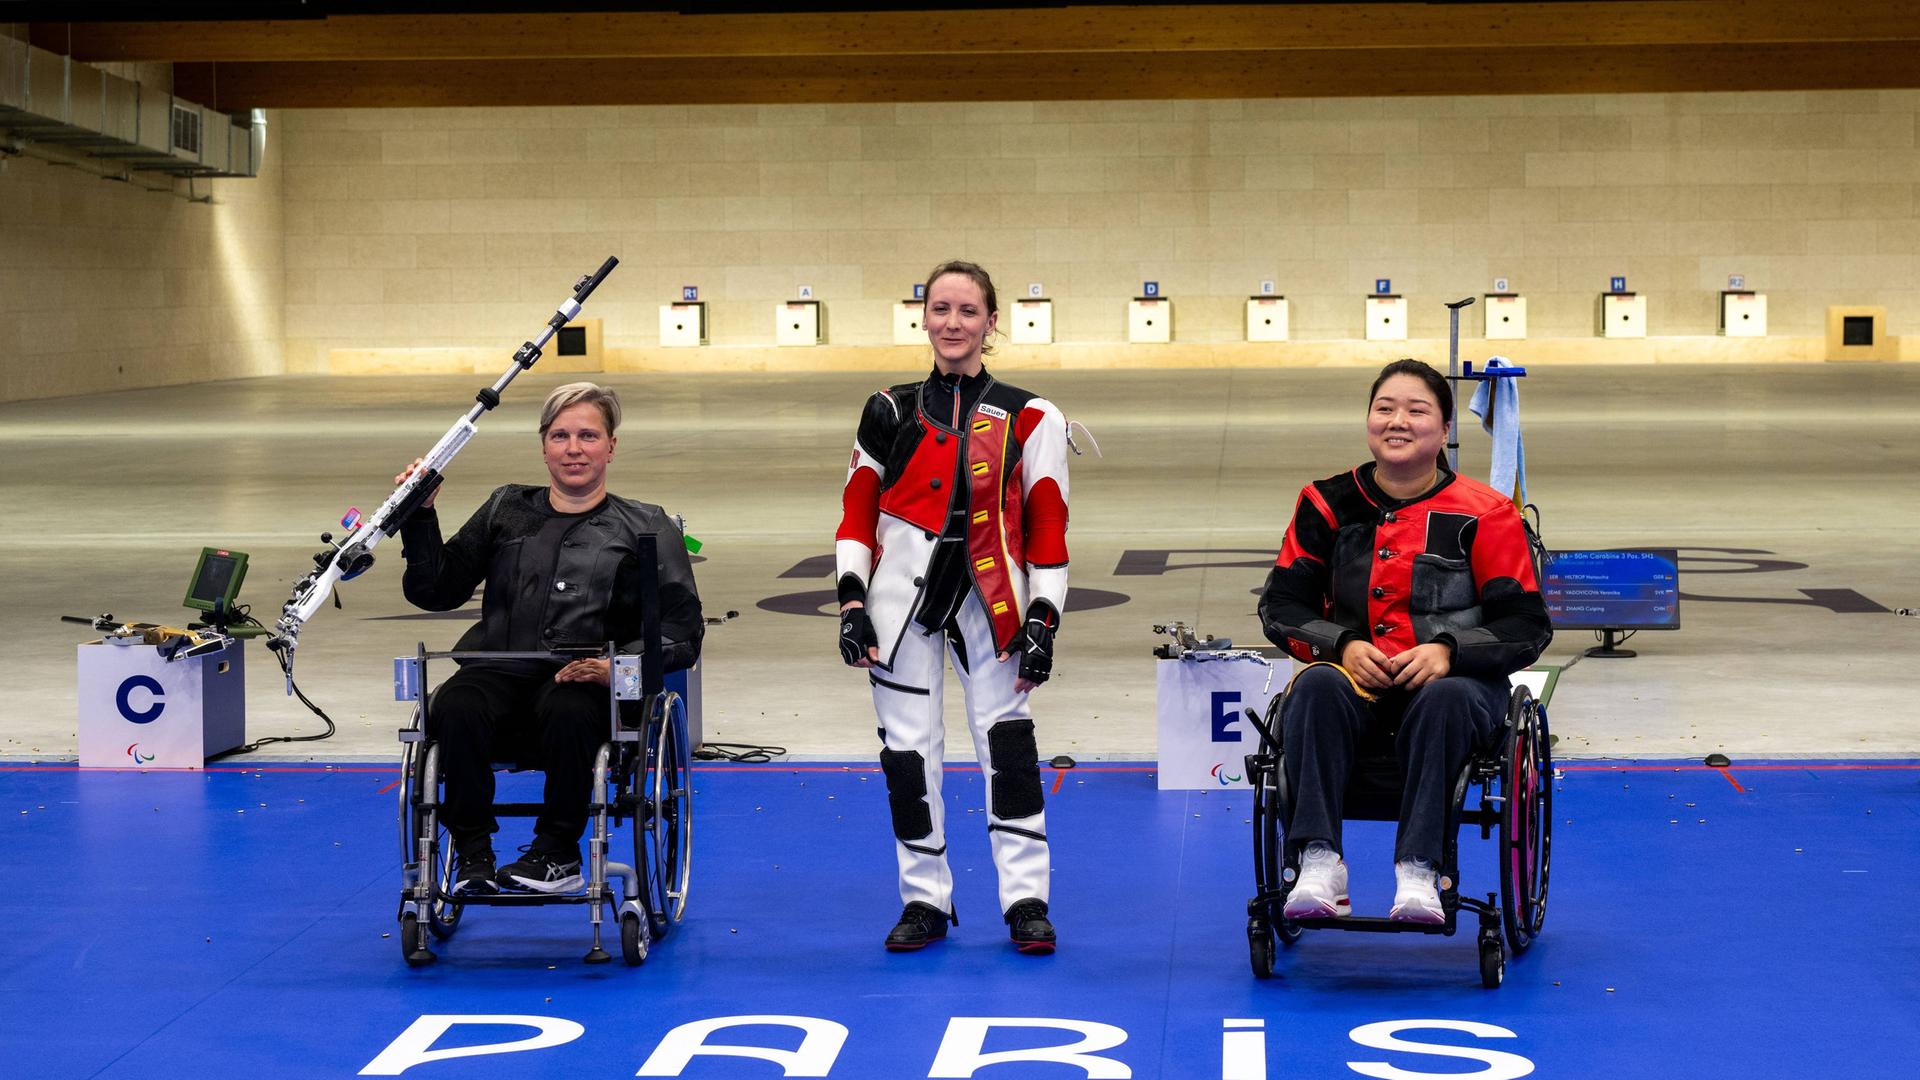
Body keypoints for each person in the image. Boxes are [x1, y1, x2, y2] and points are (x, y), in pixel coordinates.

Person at [1258, 359, 1550, 924]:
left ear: (1444, 431)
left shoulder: (1485, 513)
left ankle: (1420, 870)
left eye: (1417, 411)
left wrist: (1449, 651)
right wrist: (1340, 645)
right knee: (1315, 687)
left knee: (1447, 699)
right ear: (1368, 420)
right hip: (1351, 686)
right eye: (1384, 408)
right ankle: (1318, 863)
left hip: (1458, 693)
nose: (1398, 421)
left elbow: (1525, 622)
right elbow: (1281, 605)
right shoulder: (1325, 502)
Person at [835, 260, 1072, 953]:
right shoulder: (887, 408)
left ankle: (1026, 900)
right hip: (894, 610)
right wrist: (851, 601)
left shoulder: (1035, 416)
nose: (953, 323)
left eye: (968, 311)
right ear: (923, 316)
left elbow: (1048, 528)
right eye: (941, 309)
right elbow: (856, 515)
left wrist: (1044, 620)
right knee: (907, 757)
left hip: (997, 609)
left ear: (992, 322)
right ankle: (924, 901)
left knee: (1010, 750)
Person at [396, 382, 702, 896]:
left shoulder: (645, 526)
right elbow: (435, 589)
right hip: (497, 669)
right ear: (543, 445)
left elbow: (681, 631)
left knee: (570, 709)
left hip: (582, 679)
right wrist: (419, 515)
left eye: (588, 435)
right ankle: (472, 853)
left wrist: (619, 669)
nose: (574, 448)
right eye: (560, 435)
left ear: (611, 446)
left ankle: (558, 853)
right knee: (455, 706)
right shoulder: (505, 508)